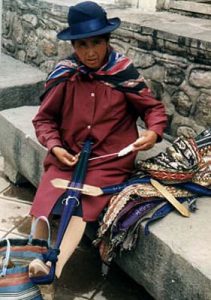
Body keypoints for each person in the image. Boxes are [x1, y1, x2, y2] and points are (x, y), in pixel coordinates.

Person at [28, 1, 167, 279]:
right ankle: (36, 254)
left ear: (107, 41)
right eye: (82, 45)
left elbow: (153, 109)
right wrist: (55, 146)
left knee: (81, 204)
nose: (90, 53)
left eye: (96, 43)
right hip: (69, 155)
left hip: (109, 159)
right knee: (47, 197)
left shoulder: (123, 73)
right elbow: (44, 120)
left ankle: (55, 269)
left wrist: (153, 132)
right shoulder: (65, 75)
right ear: (73, 47)